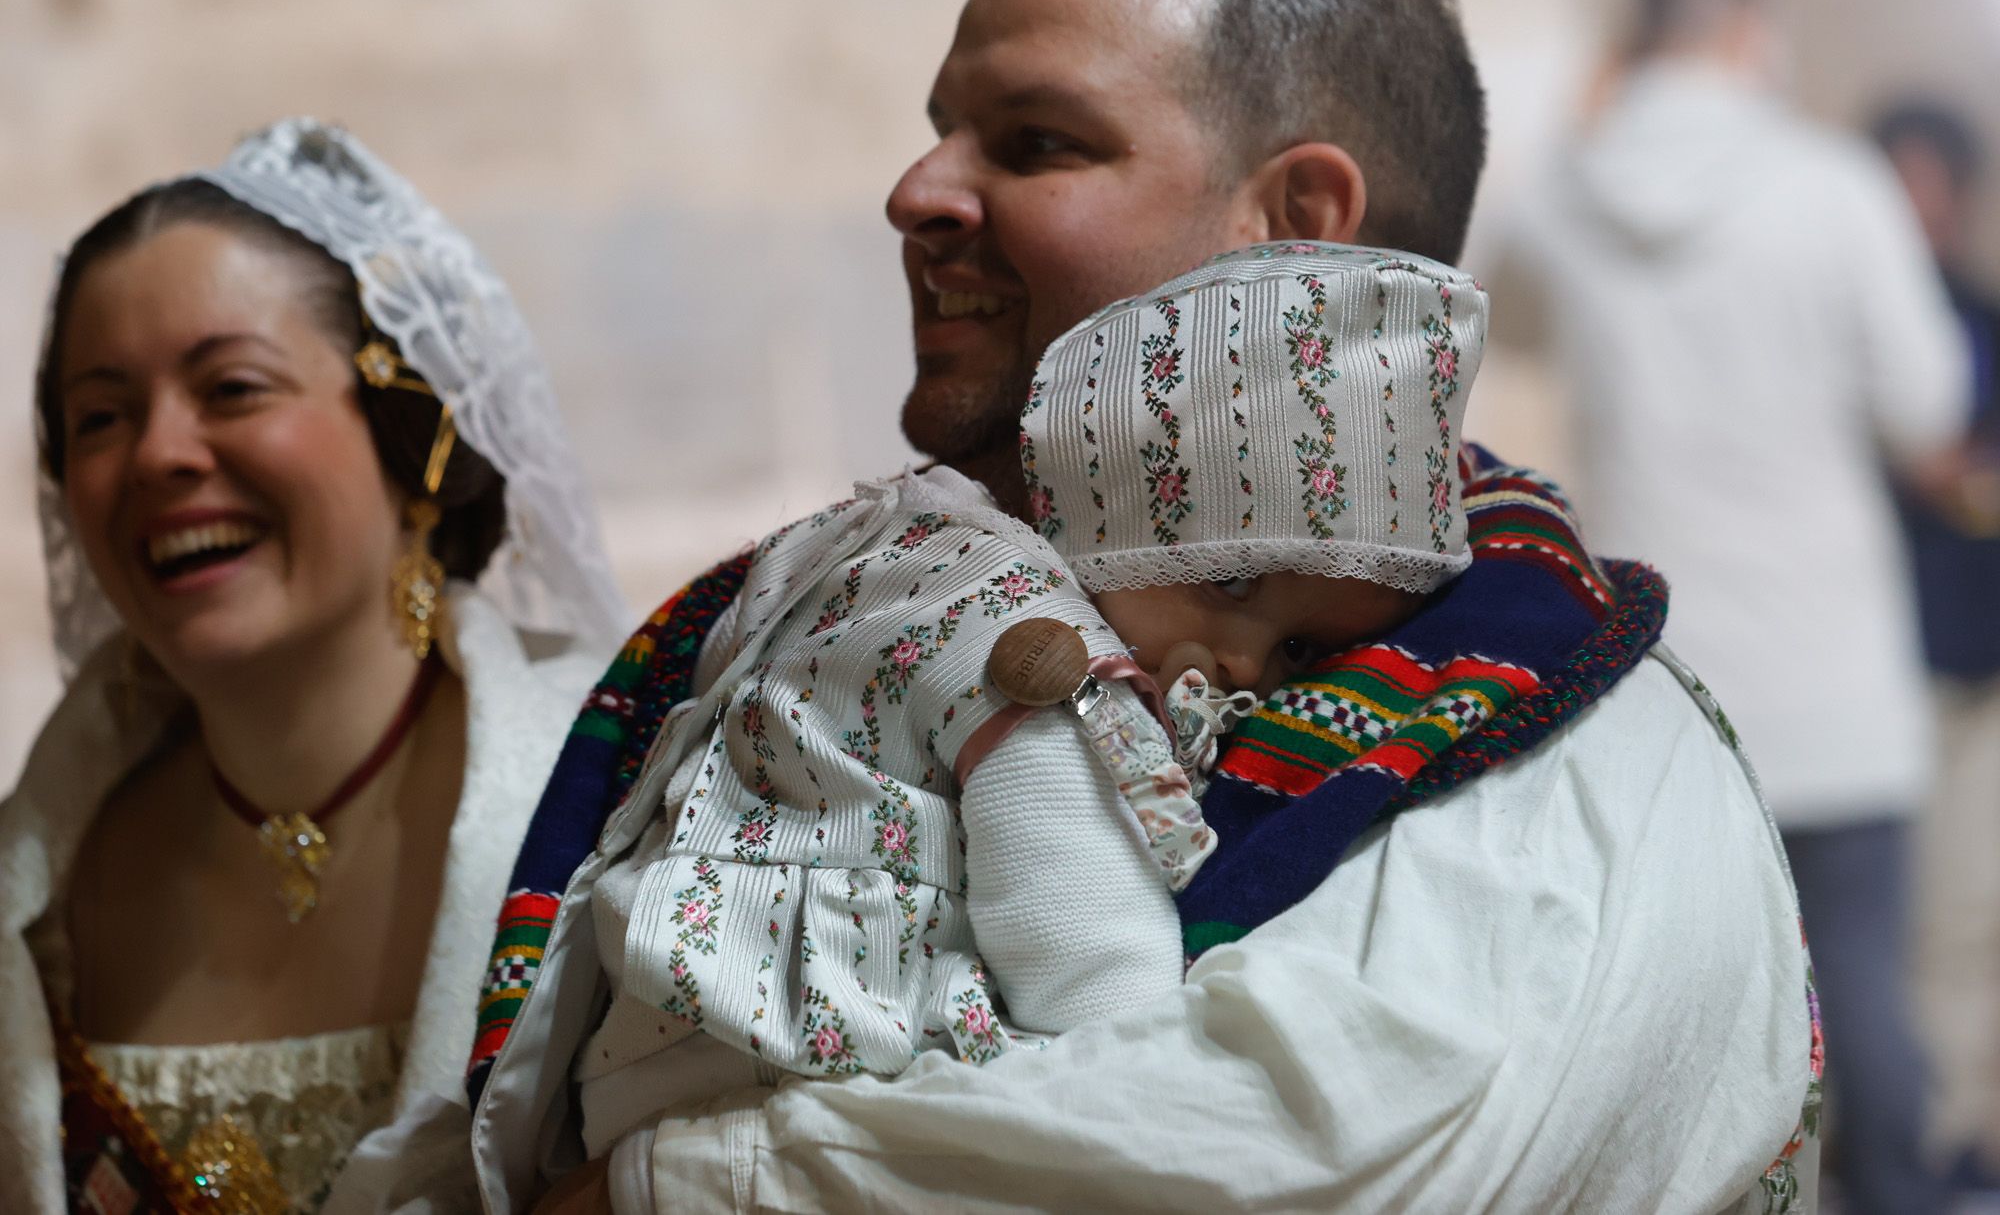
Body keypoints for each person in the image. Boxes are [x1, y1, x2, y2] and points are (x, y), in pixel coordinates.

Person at [420, 0, 1815, 1211]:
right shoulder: (834, 596)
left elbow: (1302, 1150)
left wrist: (678, 1189)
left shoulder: (1565, 741)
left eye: (1035, 143)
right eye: (940, 131)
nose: (916, 190)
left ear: (1297, 229)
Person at [476, 242, 1477, 1193]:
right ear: (1133, 509)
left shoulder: (883, 554)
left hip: (647, 1047)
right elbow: (1097, 987)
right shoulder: (1041, 667)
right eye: (1230, 578)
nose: (1245, 664)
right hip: (810, 1077)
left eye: (1302, 650)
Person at [0, 118, 627, 1213]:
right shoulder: (44, 898)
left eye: (231, 386)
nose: (158, 452)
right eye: (101, 416)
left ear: (414, 434)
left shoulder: (613, 799)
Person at [1502, 0, 1969, 1214]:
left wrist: (1587, 100)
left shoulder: (1565, 193)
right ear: (1750, 34)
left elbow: (1509, 301)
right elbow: (1926, 402)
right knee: (1861, 987)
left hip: (1663, 681)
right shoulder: (1830, 184)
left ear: (1633, 45)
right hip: (1832, 673)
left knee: (1681, 1010)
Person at [1873, 99, 2000, 1187]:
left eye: (1931, 185)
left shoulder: (1982, 318)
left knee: (1964, 916)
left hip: (1979, 661)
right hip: (1871, 669)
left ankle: (1953, 1138)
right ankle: (1888, 1145)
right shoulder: (1841, 327)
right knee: (1873, 927)